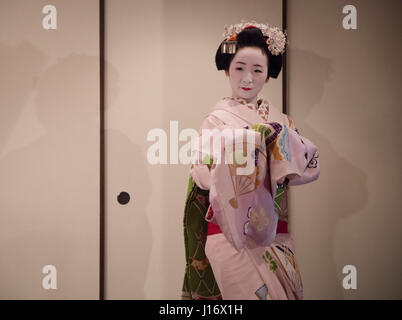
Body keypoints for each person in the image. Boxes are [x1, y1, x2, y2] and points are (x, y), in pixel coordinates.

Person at [182, 20, 320, 300]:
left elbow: (301, 168)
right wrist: (242, 158)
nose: (247, 78)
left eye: (257, 70)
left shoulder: (282, 121)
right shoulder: (216, 120)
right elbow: (202, 175)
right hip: (229, 232)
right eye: (239, 68)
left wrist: (275, 142)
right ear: (227, 71)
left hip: (276, 232)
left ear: (268, 75)